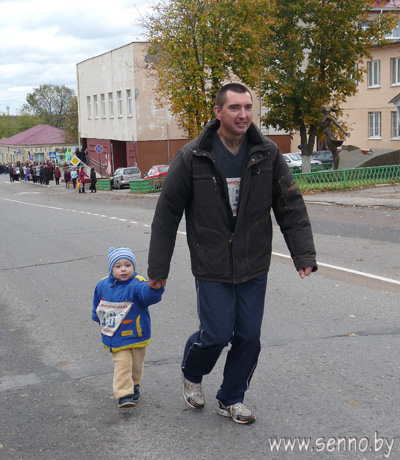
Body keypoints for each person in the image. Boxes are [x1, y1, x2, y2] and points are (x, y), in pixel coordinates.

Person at [147, 83, 317, 425]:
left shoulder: (267, 153)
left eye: (248, 107)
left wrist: (303, 254)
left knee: (249, 336)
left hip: (254, 263)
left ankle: (231, 397)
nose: (243, 115)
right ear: (218, 112)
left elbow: (290, 206)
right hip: (211, 264)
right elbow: (167, 214)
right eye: (235, 108)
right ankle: (192, 372)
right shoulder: (193, 156)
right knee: (216, 334)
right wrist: (157, 267)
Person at [92, 247, 164, 408]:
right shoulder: (103, 285)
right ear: (111, 268)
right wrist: (97, 317)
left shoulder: (138, 284)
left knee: (137, 364)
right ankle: (124, 394)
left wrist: (154, 288)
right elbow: (98, 305)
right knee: (123, 363)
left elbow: (147, 296)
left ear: (133, 266)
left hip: (137, 333)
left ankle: (135, 385)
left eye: (127, 265)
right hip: (115, 335)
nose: (123, 269)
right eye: (118, 266)